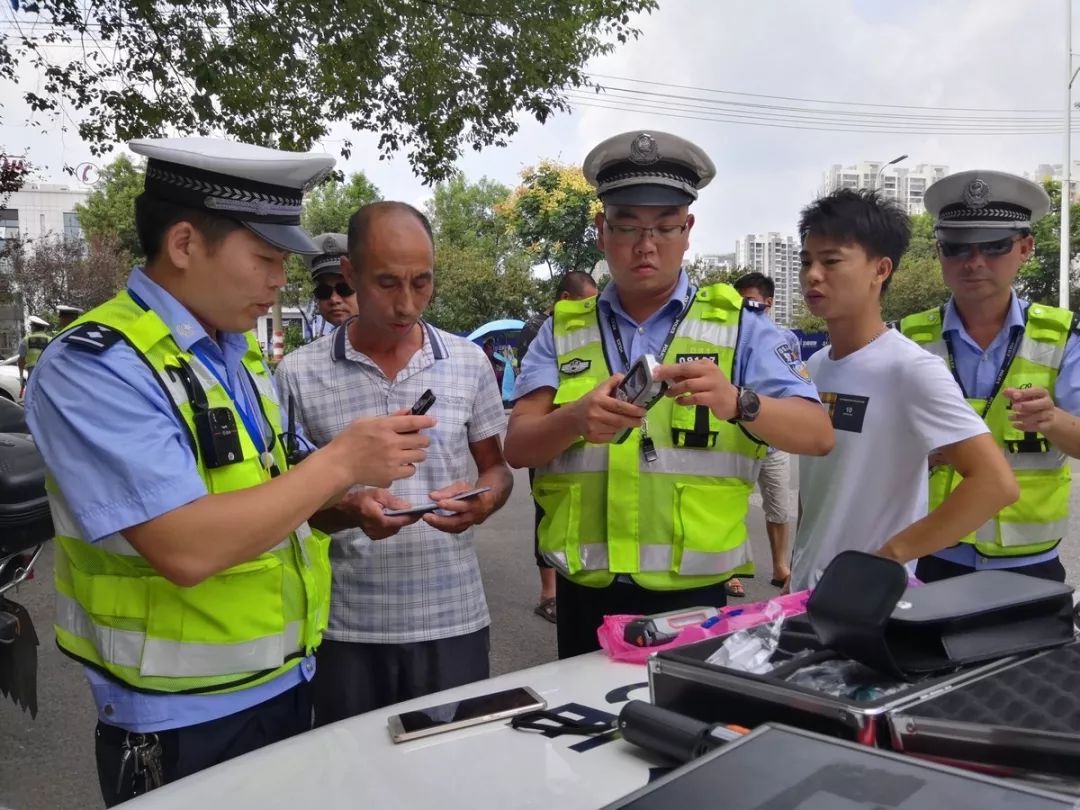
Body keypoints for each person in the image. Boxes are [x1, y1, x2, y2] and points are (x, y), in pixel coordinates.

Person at [24, 138, 435, 806]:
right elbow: (185, 546)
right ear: (185, 244)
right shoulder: (98, 365)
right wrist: (340, 462)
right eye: (266, 258)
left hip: (285, 682)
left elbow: (275, 497)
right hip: (180, 718)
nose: (281, 280)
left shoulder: (236, 358)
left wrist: (344, 504)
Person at [505, 130, 834, 659]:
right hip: (586, 589)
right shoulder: (560, 330)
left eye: (663, 227)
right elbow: (518, 446)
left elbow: (817, 435)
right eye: (628, 226)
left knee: (689, 732)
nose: (645, 245)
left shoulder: (741, 329)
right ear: (600, 230)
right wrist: (574, 418)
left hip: (698, 595)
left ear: (688, 231)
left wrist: (738, 402)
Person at [275, 200, 514, 725]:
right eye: (386, 284)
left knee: (451, 774)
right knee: (355, 781)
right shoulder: (297, 376)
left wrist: (485, 501)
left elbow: (496, 470)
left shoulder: (468, 362)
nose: (407, 304)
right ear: (350, 274)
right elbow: (291, 507)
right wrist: (351, 505)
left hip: (453, 618)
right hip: (345, 628)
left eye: (422, 283)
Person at [792, 188, 1018, 592]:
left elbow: (995, 483)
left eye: (831, 261)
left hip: (871, 603)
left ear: (880, 270)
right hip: (807, 592)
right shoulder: (814, 367)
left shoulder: (911, 369)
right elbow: (818, 490)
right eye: (807, 261)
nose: (813, 274)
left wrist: (889, 559)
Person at [901, 171, 1080, 583]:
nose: (975, 261)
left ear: (1026, 248)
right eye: (958, 247)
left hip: (1029, 563)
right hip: (928, 554)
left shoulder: (1063, 338)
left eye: (995, 246)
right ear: (939, 251)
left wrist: (1053, 420)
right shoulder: (905, 338)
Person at [517, 270, 599, 623]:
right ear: (566, 299)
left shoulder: (588, 329)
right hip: (548, 434)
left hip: (584, 439)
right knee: (548, 512)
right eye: (586, 301)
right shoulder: (541, 332)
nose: (591, 309)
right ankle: (549, 593)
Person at [731, 271, 800, 594]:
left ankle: (780, 565)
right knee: (730, 506)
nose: (744, 308)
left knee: (778, 506)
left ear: (768, 302)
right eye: (739, 302)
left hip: (772, 441)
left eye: (750, 301)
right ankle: (727, 569)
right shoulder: (726, 339)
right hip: (734, 439)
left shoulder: (787, 340)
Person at [307, 232, 359, 330]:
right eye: (324, 291)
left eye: (344, 289)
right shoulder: (321, 345)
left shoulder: (393, 343)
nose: (334, 299)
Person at [18, 315, 51, 390]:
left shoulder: (26, 340)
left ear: (33, 327)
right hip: (47, 373)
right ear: (44, 328)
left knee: (33, 394)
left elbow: (21, 360)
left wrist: (21, 376)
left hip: (32, 372)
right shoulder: (51, 340)